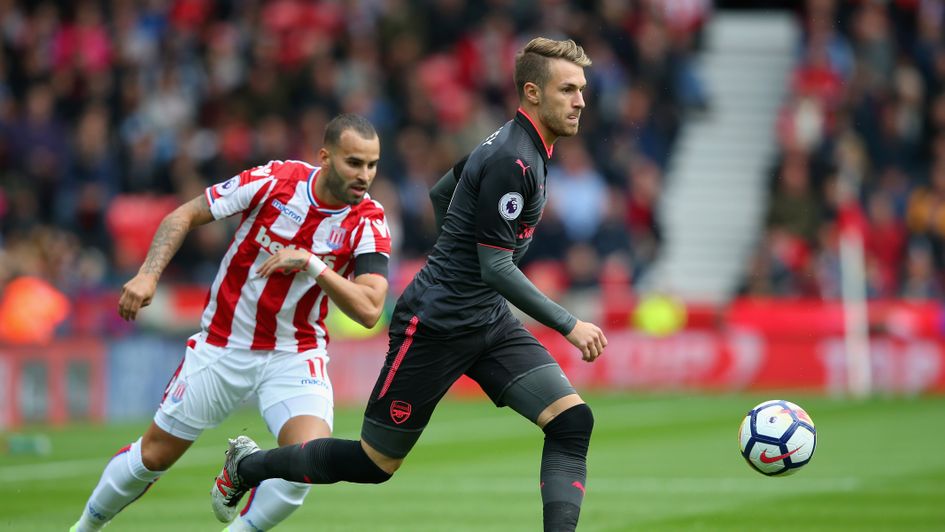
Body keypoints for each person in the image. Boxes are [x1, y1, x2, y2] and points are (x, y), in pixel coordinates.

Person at [210, 37, 607, 532]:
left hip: (484, 319)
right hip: (436, 324)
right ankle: (247, 467)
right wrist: (569, 324)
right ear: (532, 93)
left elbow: (444, 193)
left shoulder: (516, 144)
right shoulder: (514, 160)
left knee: (572, 422)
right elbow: (496, 268)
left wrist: (457, 257)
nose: (580, 101)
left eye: (582, 89)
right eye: (567, 89)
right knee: (374, 464)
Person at [71, 114, 391, 532]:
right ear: (325, 157)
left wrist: (313, 265)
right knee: (154, 456)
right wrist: (149, 273)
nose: (364, 175)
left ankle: (240, 491)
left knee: (307, 461)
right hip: (223, 345)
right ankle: (83, 529)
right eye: (354, 163)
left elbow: (369, 310)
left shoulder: (368, 218)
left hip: (295, 353)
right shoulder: (275, 181)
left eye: (372, 164)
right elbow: (182, 215)